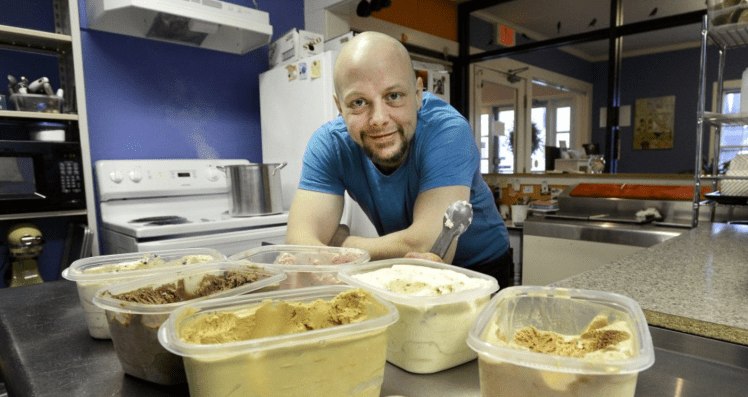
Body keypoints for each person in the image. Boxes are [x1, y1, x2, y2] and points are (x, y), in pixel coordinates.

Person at [285, 31, 512, 288]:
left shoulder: (448, 131)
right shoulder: (329, 144)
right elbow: (299, 242)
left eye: (393, 96)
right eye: (359, 102)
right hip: (403, 265)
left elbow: (433, 245)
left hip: (481, 266)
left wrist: (339, 245)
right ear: (340, 107)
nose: (379, 118)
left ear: (417, 95)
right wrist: (322, 248)